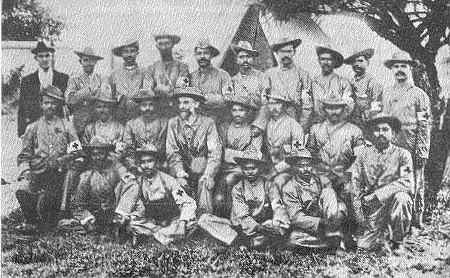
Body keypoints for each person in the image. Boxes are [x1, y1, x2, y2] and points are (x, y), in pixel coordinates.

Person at [15, 85, 80, 234]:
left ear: (58, 105)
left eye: (53, 103)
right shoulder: (32, 128)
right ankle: (31, 220)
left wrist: (65, 159)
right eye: (46, 102)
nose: (49, 106)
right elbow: (24, 156)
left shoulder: (67, 126)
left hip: (58, 174)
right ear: (41, 104)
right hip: (37, 173)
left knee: (49, 204)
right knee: (22, 190)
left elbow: (77, 150)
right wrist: (25, 172)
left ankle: (49, 215)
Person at [382, 51, 431, 229]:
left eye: (403, 66)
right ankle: (394, 221)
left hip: (412, 147)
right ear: (392, 69)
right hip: (391, 148)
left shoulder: (420, 95)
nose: (400, 69)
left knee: (414, 184)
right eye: (396, 66)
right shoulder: (386, 93)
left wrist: (422, 150)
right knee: (391, 183)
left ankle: (415, 221)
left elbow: (425, 124)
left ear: (410, 68)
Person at [351, 113, 414, 253]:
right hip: (372, 209)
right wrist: (359, 216)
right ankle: (379, 235)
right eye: (377, 129)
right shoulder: (363, 155)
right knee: (363, 247)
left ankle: (398, 241)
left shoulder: (403, 155)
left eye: (385, 129)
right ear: (372, 133)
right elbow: (355, 186)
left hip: (392, 204)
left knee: (403, 198)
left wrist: (378, 195)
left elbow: (407, 182)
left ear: (394, 133)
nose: (381, 133)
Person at [198, 154, 290, 249]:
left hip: (263, 225)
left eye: (253, 168)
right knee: (204, 219)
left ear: (260, 168)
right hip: (240, 227)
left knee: (279, 224)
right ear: (242, 169)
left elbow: (278, 206)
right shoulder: (238, 188)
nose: (250, 172)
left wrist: (277, 224)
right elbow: (241, 215)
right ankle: (241, 241)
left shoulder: (269, 185)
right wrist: (258, 228)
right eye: (246, 169)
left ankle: (246, 243)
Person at [114, 144, 197, 245]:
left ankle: (158, 236)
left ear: (156, 162)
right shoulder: (137, 184)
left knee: (191, 222)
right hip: (152, 225)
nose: (146, 165)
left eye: (150, 161)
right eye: (143, 162)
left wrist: (182, 223)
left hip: (170, 222)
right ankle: (163, 236)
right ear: (139, 164)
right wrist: (123, 219)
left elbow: (187, 202)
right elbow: (125, 211)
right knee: (133, 223)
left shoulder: (167, 180)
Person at [60, 136, 137, 234]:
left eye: (101, 153)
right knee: (64, 224)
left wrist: (121, 212)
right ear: (90, 156)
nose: (97, 157)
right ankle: (99, 229)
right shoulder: (87, 175)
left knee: (129, 185)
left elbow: (130, 181)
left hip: (115, 211)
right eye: (94, 154)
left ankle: (118, 224)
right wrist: (87, 218)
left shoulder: (116, 167)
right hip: (96, 214)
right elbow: (77, 203)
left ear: (106, 153)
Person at [307, 95, 365, 221]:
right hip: (321, 176)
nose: (333, 112)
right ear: (324, 109)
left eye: (337, 108)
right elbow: (310, 156)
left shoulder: (354, 131)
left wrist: (347, 175)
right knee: (313, 193)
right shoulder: (315, 129)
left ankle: (356, 224)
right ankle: (319, 224)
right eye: (329, 108)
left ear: (343, 109)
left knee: (351, 191)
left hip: (345, 176)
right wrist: (320, 175)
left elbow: (359, 159)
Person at [166, 86, 222, 216]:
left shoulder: (208, 123)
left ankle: (204, 219)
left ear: (196, 104)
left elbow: (215, 152)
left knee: (205, 182)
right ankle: (185, 221)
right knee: (178, 184)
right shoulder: (173, 123)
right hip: (182, 167)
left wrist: (209, 173)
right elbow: (172, 151)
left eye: (186, 102)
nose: (181, 106)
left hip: (202, 167)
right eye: (180, 102)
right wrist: (179, 172)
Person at [282, 148, 346, 254]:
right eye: (301, 166)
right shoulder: (289, 188)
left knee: (329, 193)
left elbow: (335, 203)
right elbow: (296, 217)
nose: (306, 169)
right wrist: (319, 223)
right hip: (310, 228)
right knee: (294, 239)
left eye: (309, 165)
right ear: (294, 167)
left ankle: (333, 241)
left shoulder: (322, 181)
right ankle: (326, 245)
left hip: (330, 224)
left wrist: (338, 215)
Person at [216, 95, 263, 217]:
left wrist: (230, 153)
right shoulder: (223, 128)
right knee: (218, 195)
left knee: (229, 179)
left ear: (247, 112)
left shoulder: (254, 131)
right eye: (234, 110)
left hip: (246, 169)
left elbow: (254, 155)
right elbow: (219, 151)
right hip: (224, 168)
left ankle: (237, 216)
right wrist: (241, 154)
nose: (237, 114)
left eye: (241, 110)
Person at [18, 41, 69, 137]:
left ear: (52, 56)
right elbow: (22, 108)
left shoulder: (63, 78)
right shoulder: (27, 80)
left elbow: (67, 107)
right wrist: (22, 132)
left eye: (47, 55)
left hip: (57, 128)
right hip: (35, 128)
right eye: (41, 56)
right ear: (35, 58)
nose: (44, 59)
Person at [265, 37, 313, 131]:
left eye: (289, 51)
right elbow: (264, 103)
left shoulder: (303, 75)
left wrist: (300, 128)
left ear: (294, 52)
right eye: (282, 51)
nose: (286, 55)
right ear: (277, 53)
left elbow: (307, 105)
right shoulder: (269, 74)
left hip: (295, 120)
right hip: (273, 124)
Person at [265, 93, 305, 191]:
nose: (274, 107)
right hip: (270, 168)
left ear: (284, 105)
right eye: (270, 104)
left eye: (277, 103)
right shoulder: (267, 125)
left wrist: (276, 170)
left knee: (277, 182)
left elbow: (297, 156)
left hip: (289, 170)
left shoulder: (294, 126)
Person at [123, 89, 168, 173]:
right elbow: (129, 151)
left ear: (155, 105)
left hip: (159, 167)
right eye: (144, 105)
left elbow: (164, 149)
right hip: (138, 167)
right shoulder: (131, 124)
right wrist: (135, 167)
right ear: (139, 106)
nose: (147, 108)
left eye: (151, 105)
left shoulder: (164, 123)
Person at [109, 39, 154, 124]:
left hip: (139, 116)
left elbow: (147, 93)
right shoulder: (114, 74)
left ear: (137, 53)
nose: (129, 55)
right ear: (121, 54)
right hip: (119, 117)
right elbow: (110, 95)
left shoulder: (145, 72)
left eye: (132, 51)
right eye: (126, 52)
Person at [190, 38, 233, 124]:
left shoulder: (223, 75)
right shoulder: (191, 77)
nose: (202, 56)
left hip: (218, 120)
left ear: (212, 55)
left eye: (206, 53)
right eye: (199, 53)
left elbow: (230, 98)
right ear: (195, 56)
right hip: (197, 122)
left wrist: (215, 99)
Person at [65, 47, 104, 138]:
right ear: (80, 62)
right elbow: (69, 100)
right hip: (79, 123)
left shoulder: (100, 79)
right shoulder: (74, 79)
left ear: (95, 62)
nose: (88, 63)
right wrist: (88, 91)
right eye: (85, 60)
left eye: (92, 60)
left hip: (96, 123)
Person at [311, 45, 354, 125]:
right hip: (318, 125)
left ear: (334, 61)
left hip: (338, 123)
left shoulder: (343, 82)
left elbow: (349, 106)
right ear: (318, 60)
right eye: (323, 59)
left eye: (329, 59)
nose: (326, 63)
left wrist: (335, 120)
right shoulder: (313, 83)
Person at [343, 48, 383, 128]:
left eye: (360, 61)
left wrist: (369, 114)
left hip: (367, 124)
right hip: (351, 122)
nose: (356, 64)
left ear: (367, 62)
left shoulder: (372, 82)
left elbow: (377, 107)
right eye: (354, 62)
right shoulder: (351, 81)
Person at [82, 83, 124, 150]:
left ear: (111, 108)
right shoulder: (89, 128)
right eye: (99, 107)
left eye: (105, 107)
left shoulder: (119, 128)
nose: (102, 110)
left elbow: (122, 148)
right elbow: (85, 148)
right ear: (94, 109)